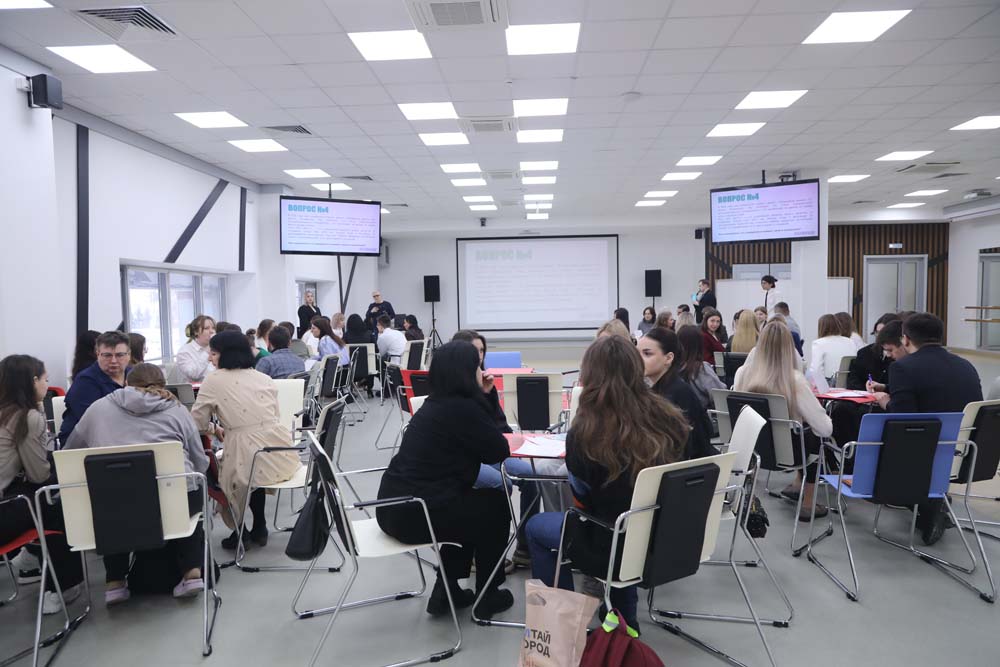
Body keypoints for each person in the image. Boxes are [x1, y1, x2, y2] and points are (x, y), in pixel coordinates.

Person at [524, 335, 689, 631]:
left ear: (589, 375)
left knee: (538, 527)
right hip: (663, 537)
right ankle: (624, 623)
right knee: (623, 523)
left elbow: (581, 498)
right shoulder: (670, 418)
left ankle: (561, 627)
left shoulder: (585, 432)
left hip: (610, 543)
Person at [376, 341, 515, 618]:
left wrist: (482, 397)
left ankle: (446, 591)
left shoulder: (435, 403)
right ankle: (488, 594)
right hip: (415, 515)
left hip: (392, 507)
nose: (482, 371)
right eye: (477, 366)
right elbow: (498, 450)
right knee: (496, 505)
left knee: (471, 505)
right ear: (466, 372)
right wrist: (487, 398)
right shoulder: (463, 409)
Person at [65, 363, 209, 603]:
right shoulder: (177, 410)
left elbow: (71, 450)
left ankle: (115, 582)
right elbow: (199, 461)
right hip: (173, 506)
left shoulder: (98, 408)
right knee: (191, 489)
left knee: (110, 500)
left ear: (126, 383)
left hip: (117, 507)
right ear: (163, 385)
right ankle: (191, 573)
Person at [872, 313, 983, 545]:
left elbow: (902, 420)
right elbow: (939, 392)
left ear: (905, 339)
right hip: (964, 454)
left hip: (921, 455)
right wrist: (891, 388)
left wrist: (885, 401)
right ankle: (933, 505)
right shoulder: (966, 366)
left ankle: (929, 505)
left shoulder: (902, 368)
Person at [191, 331, 301, 549]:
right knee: (252, 467)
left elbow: (196, 423)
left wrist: (214, 428)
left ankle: (241, 530)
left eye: (213, 354)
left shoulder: (213, 380)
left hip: (245, 450)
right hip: (282, 452)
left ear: (226, 354)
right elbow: (275, 414)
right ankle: (260, 525)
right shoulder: (262, 377)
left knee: (225, 469)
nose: (210, 359)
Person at [451, 330, 547, 567]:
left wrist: (487, 394)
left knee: (533, 478)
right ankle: (487, 553)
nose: (479, 356)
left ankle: (524, 547)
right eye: (474, 351)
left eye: (482, 351)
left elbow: (500, 426)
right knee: (501, 484)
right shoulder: (452, 388)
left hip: (493, 452)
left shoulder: (486, 383)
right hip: (468, 458)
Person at [0, 355, 84, 615]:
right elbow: (38, 474)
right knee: (60, 503)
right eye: (46, 379)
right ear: (33, 381)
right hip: (5, 513)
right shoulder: (26, 417)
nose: (48, 385)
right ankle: (62, 586)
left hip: (7, 500)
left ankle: (29, 558)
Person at [735, 321, 833, 520]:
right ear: (790, 348)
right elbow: (825, 429)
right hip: (789, 455)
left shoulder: (742, 374)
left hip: (752, 451)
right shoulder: (794, 381)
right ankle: (808, 503)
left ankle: (796, 485)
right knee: (815, 435)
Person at [640, 327, 715, 460]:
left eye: (647, 354)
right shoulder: (658, 388)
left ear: (668, 358)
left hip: (692, 467)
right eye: (637, 354)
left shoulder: (677, 394)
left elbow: (686, 450)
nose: (639, 359)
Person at [59, 330, 131, 445]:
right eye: (107, 355)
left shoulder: (135, 375)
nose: (113, 361)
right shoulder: (85, 381)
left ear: (128, 355)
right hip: (84, 444)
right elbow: (96, 422)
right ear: (97, 354)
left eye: (119, 355)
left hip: (124, 437)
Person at [676, 324, 726, 409]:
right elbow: (720, 395)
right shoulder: (701, 369)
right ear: (699, 344)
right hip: (703, 413)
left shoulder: (671, 368)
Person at [846, 313, 900, 391]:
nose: (879, 337)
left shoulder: (902, 356)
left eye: (883, 333)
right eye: (877, 333)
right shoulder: (865, 353)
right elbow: (853, 380)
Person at [809, 314, 857, 385]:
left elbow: (816, 370)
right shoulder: (851, 342)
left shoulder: (818, 343)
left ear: (821, 327)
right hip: (850, 382)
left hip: (830, 383)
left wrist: (821, 388)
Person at [174, 315, 216, 384]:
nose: (212, 331)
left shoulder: (217, 349)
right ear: (196, 332)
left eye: (213, 328)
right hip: (195, 390)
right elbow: (194, 375)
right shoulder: (184, 352)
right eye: (206, 328)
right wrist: (208, 351)